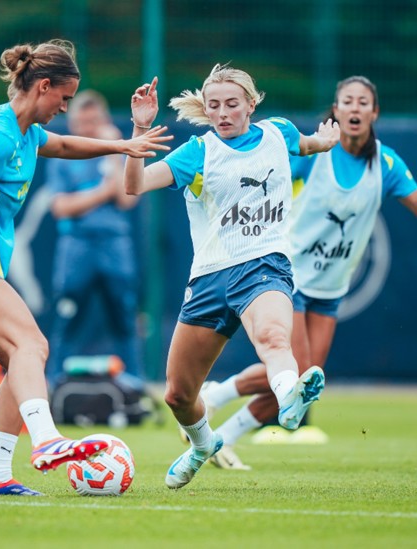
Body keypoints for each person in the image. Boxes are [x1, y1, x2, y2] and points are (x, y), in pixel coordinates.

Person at [0, 39, 171, 497]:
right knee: (32, 343)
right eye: (63, 98)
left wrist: (125, 143)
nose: (64, 107)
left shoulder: (24, 132)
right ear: (43, 86)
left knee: (16, 358)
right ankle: (46, 441)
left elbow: (63, 145)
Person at [199, 75, 417, 470]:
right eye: (347, 101)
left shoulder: (386, 163)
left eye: (363, 102)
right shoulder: (315, 153)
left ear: (374, 112)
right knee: (299, 370)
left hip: (332, 285)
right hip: (289, 274)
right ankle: (214, 397)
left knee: (306, 382)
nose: (354, 108)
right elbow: (258, 173)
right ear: (335, 110)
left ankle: (222, 438)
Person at [124, 65, 340, 489]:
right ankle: (204, 445)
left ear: (251, 105)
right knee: (178, 395)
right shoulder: (198, 152)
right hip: (208, 279)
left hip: (264, 265)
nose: (222, 113)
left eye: (231, 104)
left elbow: (309, 144)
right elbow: (135, 186)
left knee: (274, 339)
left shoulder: (278, 132)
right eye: (214, 105)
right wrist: (138, 131)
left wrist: (326, 141)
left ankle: (288, 397)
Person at [45, 89, 144, 387]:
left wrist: (115, 152)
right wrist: (102, 192)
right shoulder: (61, 158)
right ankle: (54, 383)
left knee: (124, 315)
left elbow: (127, 199)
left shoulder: (119, 153)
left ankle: (135, 385)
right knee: (68, 314)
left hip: (114, 245)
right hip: (77, 245)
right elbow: (61, 207)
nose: (87, 128)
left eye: (93, 122)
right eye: (82, 122)